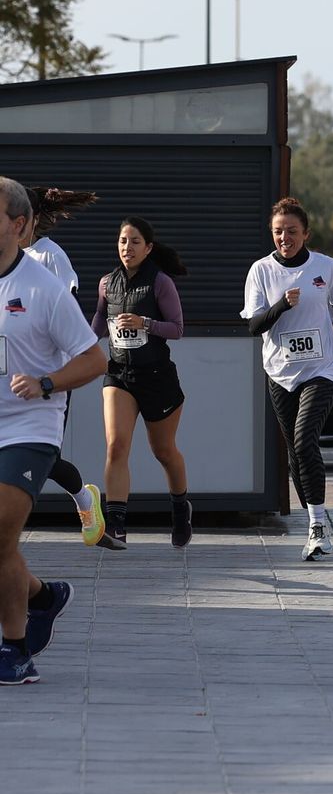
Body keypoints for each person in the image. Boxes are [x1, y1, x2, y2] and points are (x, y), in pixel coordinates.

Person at [0, 176, 108, 685]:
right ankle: (43, 597)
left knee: (0, 535)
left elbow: (93, 359)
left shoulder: (42, 287)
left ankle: (15, 649)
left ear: (18, 224)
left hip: (28, 426)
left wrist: (46, 382)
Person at [242, 197, 333, 561]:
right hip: (280, 371)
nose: (285, 238)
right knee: (295, 452)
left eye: (292, 231)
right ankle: (313, 522)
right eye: (278, 232)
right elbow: (254, 326)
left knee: (305, 438)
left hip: (321, 368)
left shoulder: (325, 266)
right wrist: (281, 305)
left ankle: (318, 526)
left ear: (306, 233)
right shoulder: (261, 270)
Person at [92, 216, 191, 548]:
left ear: (148, 248)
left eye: (135, 242)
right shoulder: (107, 283)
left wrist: (144, 323)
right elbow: (100, 320)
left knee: (163, 451)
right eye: (123, 241)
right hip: (119, 374)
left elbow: (177, 328)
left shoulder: (161, 283)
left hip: (156, 377)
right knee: (116, 446)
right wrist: (81, 344)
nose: (127, 247)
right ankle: (116, 526)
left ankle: (180, 508)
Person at [20, 186, 111, 549]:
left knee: (42, 455)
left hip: (48, 374)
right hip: (9, 373)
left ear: (30, 219)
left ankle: (86, 500)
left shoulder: (49, 256)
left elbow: (65, 316)